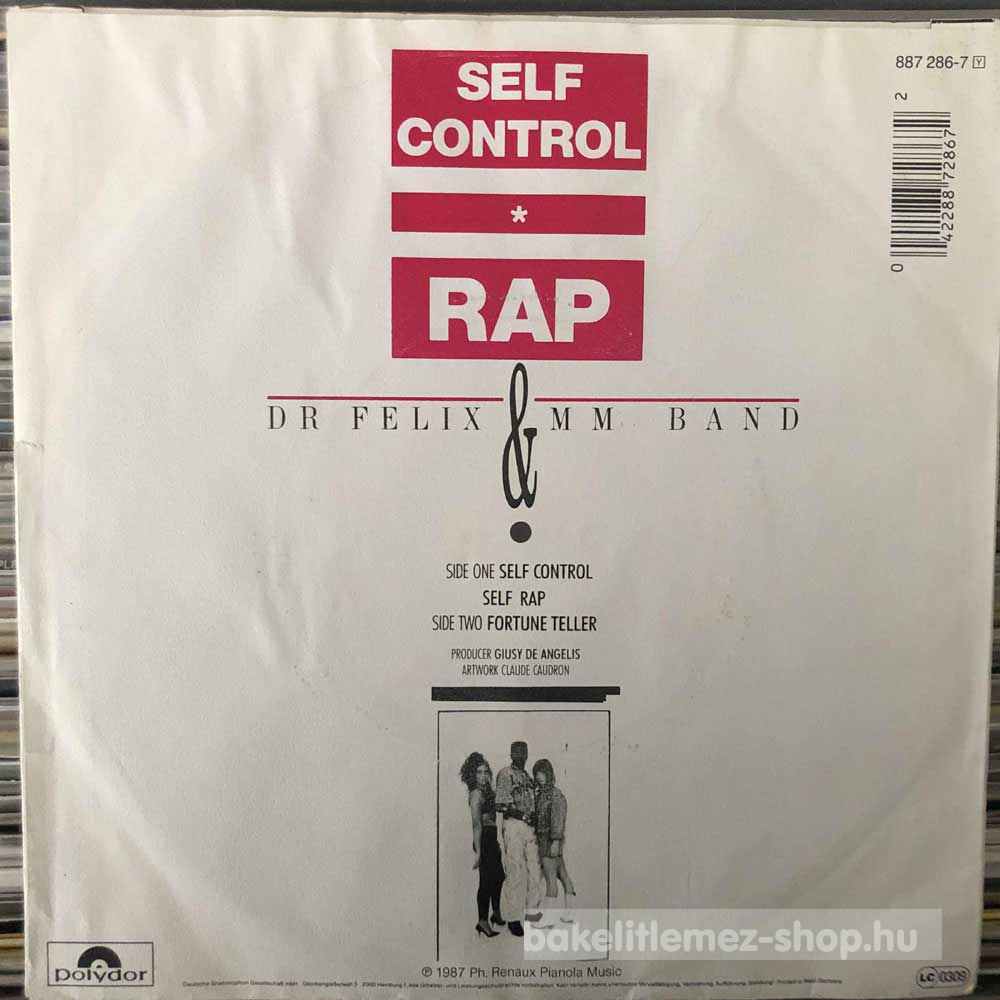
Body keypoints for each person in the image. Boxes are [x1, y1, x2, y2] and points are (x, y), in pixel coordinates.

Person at [495, 740, 543, 937]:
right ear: (511, 754)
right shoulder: (505, 773)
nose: (521, 755)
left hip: (529, 828)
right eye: (517, 752)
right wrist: (523, 816)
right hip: (513, 825)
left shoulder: (528, 776)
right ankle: (513, 918)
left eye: (524, 752)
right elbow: (501, 805)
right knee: (515, 871)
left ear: (527, 754)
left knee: (535, 871)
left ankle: (533, 915)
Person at [459, 752, 504, 938]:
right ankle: (483, 921)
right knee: (486, 881)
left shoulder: (486, 791)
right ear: (473, 774)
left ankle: (496, 913)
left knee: (499, 877)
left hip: (491, 837)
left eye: (486, 771)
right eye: (479, 772)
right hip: (483, 838)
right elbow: (476, 825)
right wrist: (478, 852)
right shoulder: (476, 794)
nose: (483, 775)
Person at [532, 758, 577, 923]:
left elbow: (558, 820)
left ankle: (548, 920)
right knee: (563, 876)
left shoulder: (555, 795)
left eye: (542, 773)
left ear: (549, 774)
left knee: (551, 879)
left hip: (549, 840)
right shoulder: (542, 794)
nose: (539, 777)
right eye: (537, 774)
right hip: (546, 839)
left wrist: (556, 842)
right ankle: (570, 913)